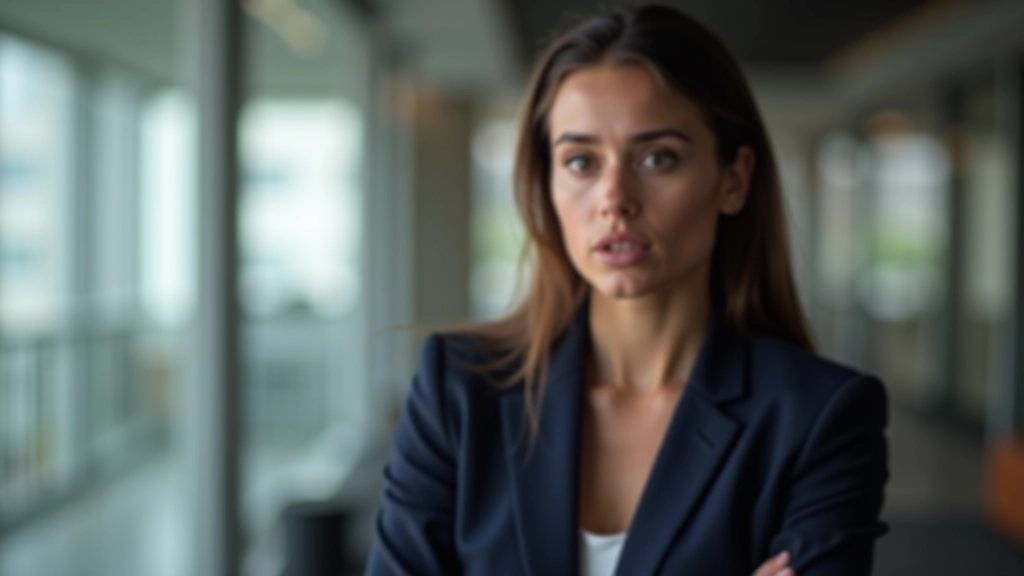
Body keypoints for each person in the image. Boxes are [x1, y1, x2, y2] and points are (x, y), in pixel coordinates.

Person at [365, 4, 889, 575]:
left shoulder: (818, 417)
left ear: (733, 181)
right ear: (547, 183)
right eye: (582, 161)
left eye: (657, 158)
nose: (614, 198)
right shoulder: (459, 391)